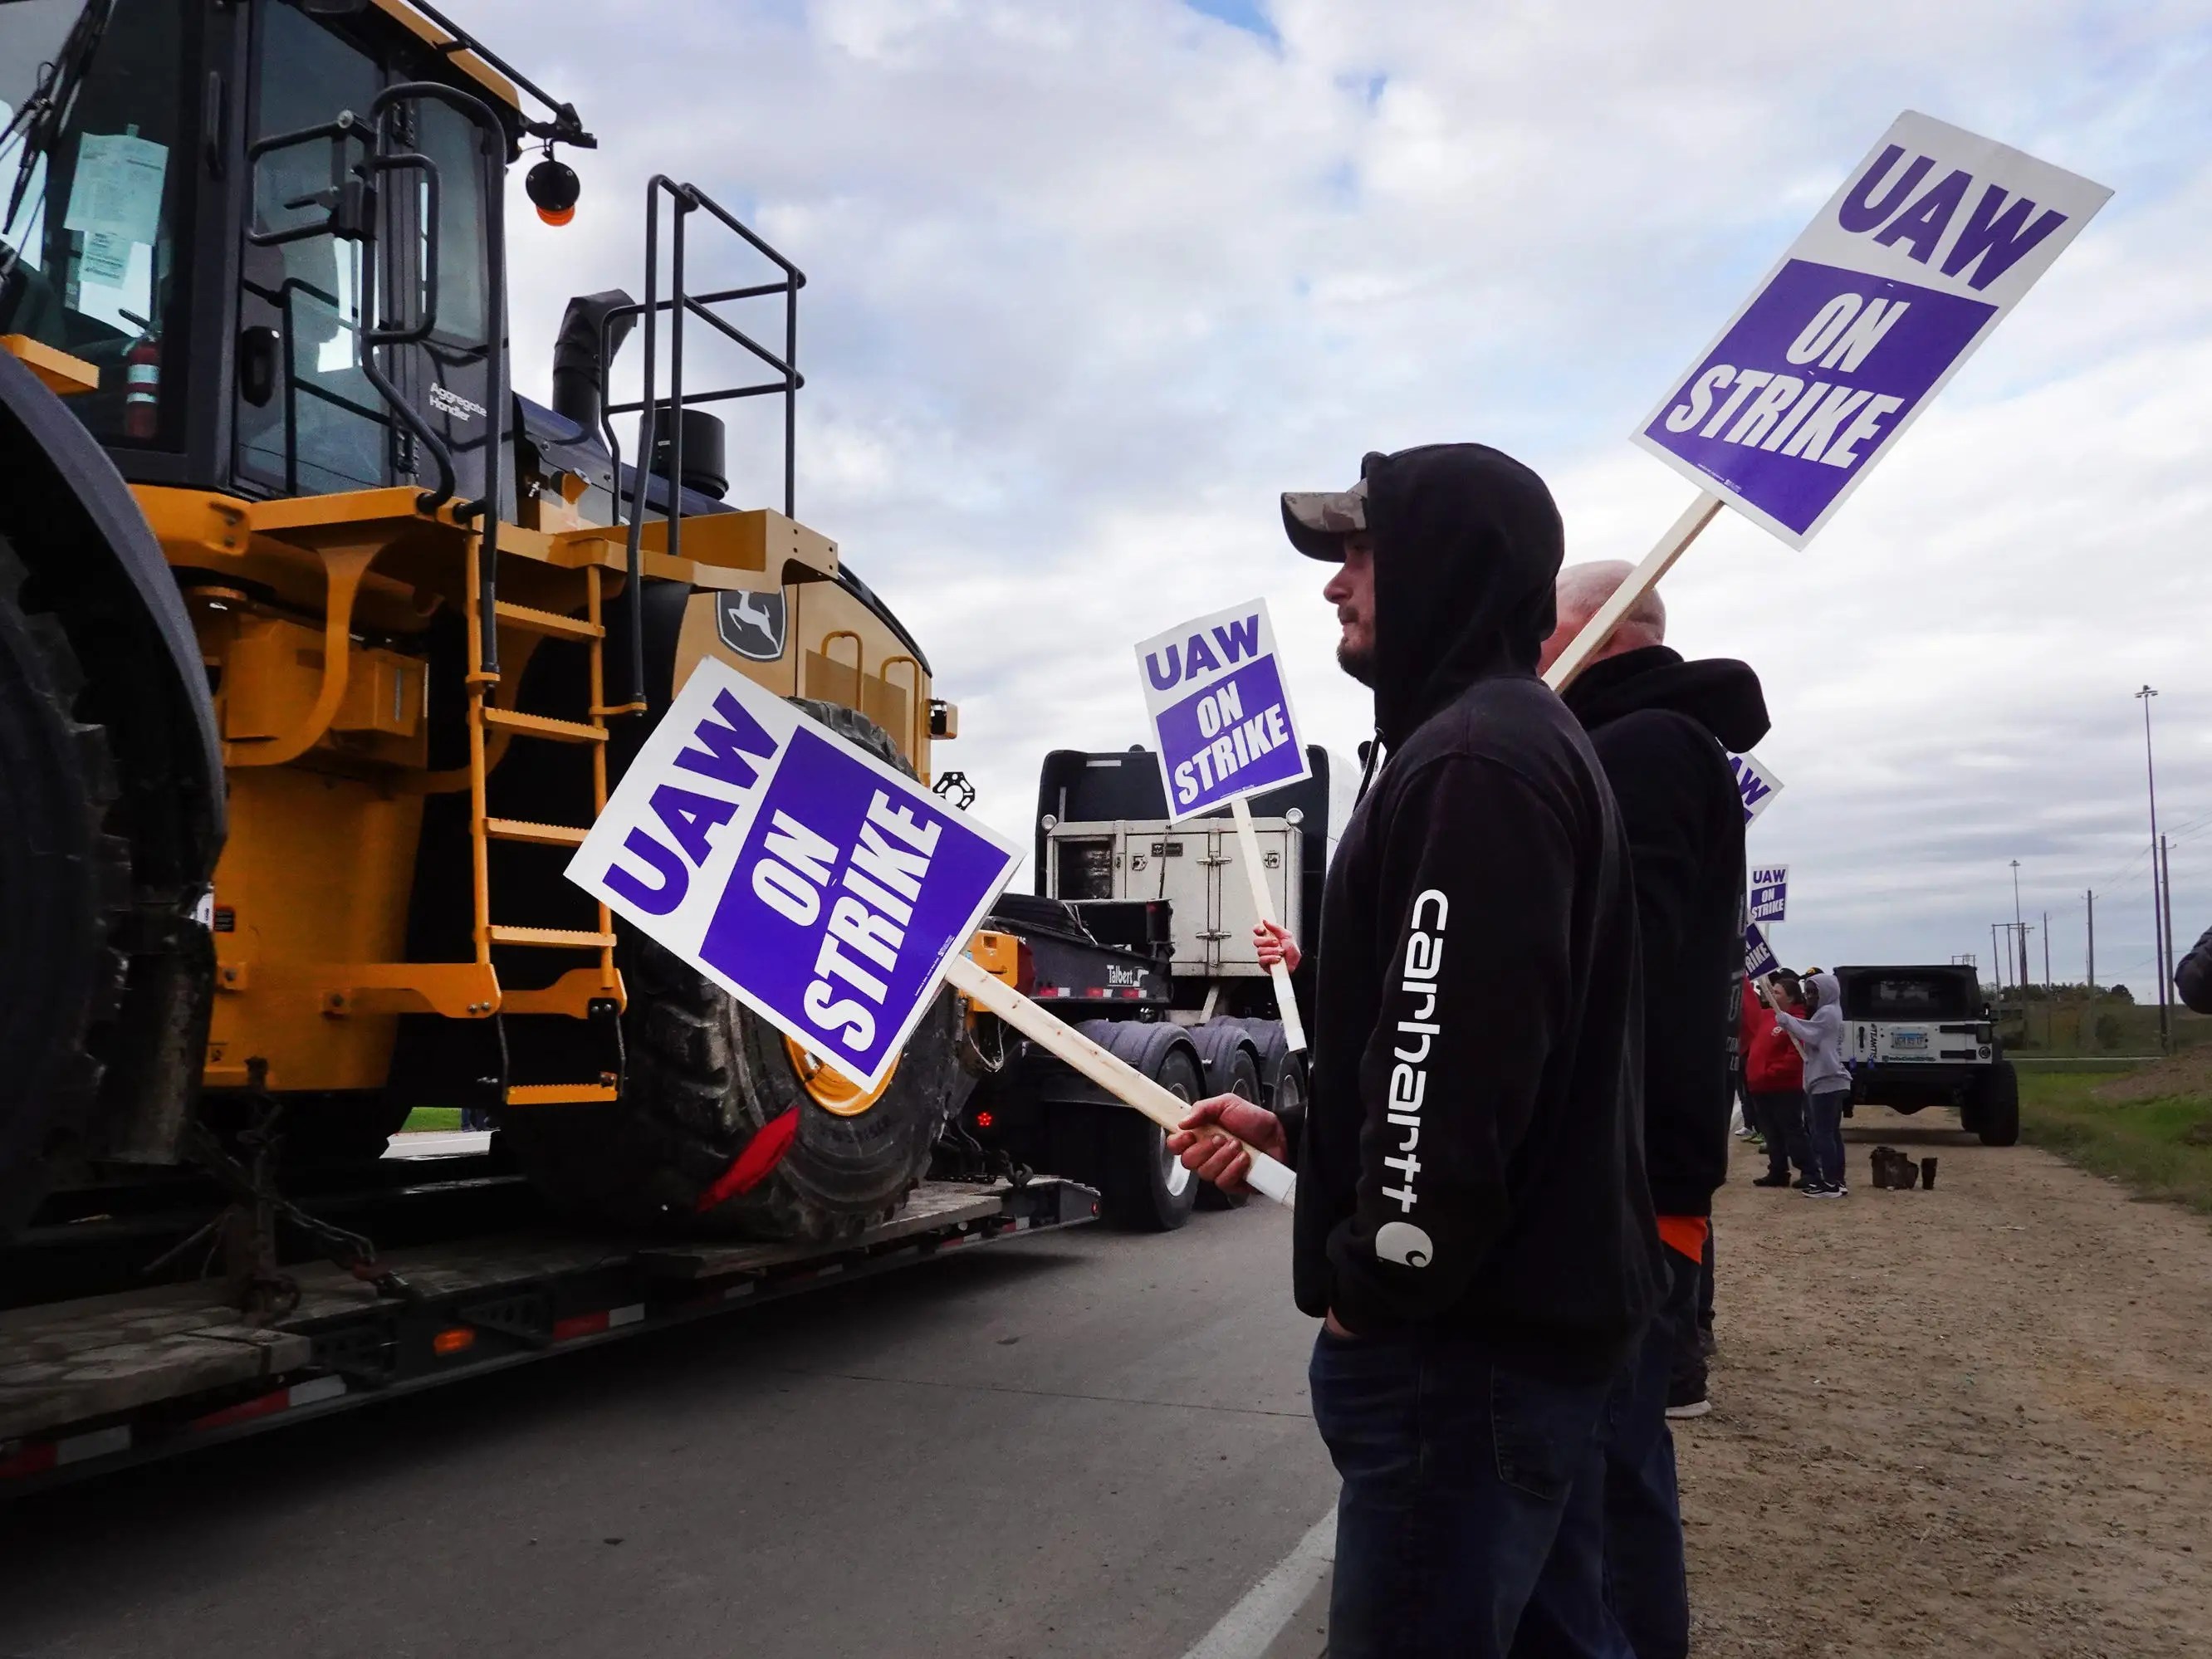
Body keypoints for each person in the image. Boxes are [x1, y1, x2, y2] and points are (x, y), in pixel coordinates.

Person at [1172, 443, 1662, 1659]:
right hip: (1515, 1347)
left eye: (1359, 550)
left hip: (1459, 1362)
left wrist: (1372, 1289)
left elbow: (1451, 1077)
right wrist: (1306, 1137)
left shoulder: (1476, 764)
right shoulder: (1495, 746)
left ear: (1450, 563)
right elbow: (1465, 1050)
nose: (1336, 584)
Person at [1532, 560, 1769, 1655]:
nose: (1529, 653)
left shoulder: (1647, 748)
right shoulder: (1646, 745)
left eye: (1541, 632)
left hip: (1621, 1189)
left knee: (1601, 1500)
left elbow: (1610, 960)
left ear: (1587, 633)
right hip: (1630, 1181)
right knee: (1604, 1484)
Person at [1773, 969, 1850, 1197]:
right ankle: (1837, 1180)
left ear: (1826, 992)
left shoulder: (1827, 1013)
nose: (1809, 996)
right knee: (1831, 1134)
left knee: (1822, 1134)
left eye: (1813, 992)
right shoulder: (1831, 1011)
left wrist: (1787, 1021)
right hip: (1830, 1079)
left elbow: (1811, 1033)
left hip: (1826, 1079)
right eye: (1807, 992)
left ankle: (1830, 1183)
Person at [1744, 973, 1810, 1189]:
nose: (1771, 994)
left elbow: (1796, 1056)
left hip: (1784, 1088)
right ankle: (1778, 1171)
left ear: (1791, 998)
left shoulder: (1796, 1020)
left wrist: (1769, 1073)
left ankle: (1809, 1171)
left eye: (1777, 992)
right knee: (1771, 1132)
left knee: (1791, 1131)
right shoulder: (1767, 1016)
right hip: (1760, 1087)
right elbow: (1748, 1013)